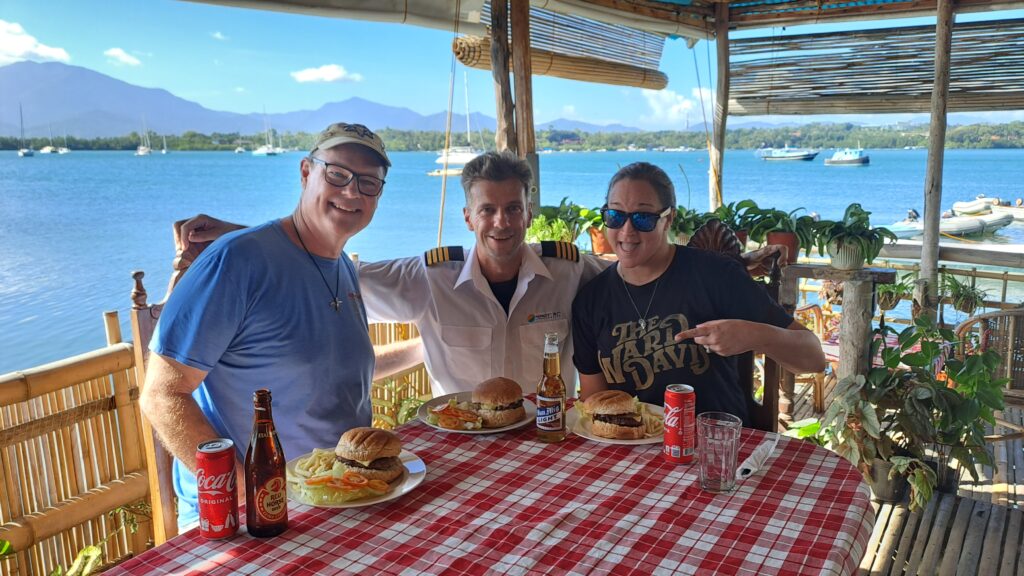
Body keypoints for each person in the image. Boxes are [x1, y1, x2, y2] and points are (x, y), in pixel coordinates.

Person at [140, 122, 421, 528]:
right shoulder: (233, 263)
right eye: (337, 174)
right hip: (255, 519)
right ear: (306, 172)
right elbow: (162, 396)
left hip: (338, 501)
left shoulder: (341, 266)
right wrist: (247, 494)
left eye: (368, 183)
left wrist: (424, 349)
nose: (351, 192)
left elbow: (330, 371)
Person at [176, 151, 607, 397]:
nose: (502, 222)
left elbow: (629, 276)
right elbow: (331, 266)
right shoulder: (431, 278)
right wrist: (242, 234)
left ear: (529, 213)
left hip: (547, 438)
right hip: (461, 446)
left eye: (513, 209)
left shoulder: (567, 270)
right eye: (487, 210)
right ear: (467, 218)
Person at [572, 162, 825, 425]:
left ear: (668, 219)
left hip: (716, 444)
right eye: (615, 216)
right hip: (632, 448)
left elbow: (814, 357)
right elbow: (595, 403)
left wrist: (754, 335)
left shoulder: (715, 275)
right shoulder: (591, 301)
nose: (626, 231)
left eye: (642, 218)